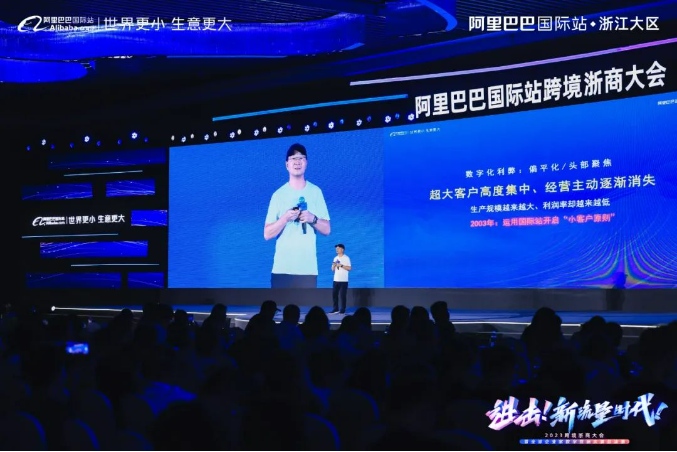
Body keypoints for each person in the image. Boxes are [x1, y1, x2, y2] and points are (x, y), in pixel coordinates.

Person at [264, 143, 330, 288]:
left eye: (301, 158)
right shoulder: (278, 195)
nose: (297, 162)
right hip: (282, 270)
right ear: (287, 164)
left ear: (306, 163)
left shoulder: (316, 192)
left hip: (307, 270)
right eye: (293, 158)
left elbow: (327, 230)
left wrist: (312, 219)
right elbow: (267, 234)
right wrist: (285, 218)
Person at [331, 244, 351, 314]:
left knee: (342, 295)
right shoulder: (335, 258)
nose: (337, 250)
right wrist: (334, 266)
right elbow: (332, 269)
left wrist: (341, 265)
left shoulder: (346, 258)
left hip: (343, 280)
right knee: (334, 295)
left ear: (342, 249)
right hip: (336, 279)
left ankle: (343, 309)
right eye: (336, 248)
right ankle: (335, 308)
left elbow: (349, 268)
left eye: (338, 248)